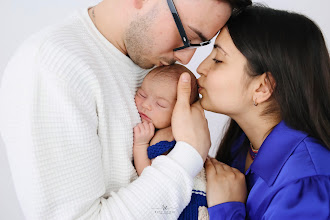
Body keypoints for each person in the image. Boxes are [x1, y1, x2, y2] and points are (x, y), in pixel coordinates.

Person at [0, 0, 252, 219]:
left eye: (201, 44)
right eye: (187, 37)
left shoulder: (152, 63)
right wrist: (188, 155)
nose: (187, 59)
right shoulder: (53, 68)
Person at [189, 5, 329, 219]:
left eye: (218, 59)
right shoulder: (241, 144)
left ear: (263, 87)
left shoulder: (308, 181)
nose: (201, 68)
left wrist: (227, 209)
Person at [133, 64, 209, 219]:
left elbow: (148, 177)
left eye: (160, 104)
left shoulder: (167, 140)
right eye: (141, 94)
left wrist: (140, 145)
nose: (146, 105)